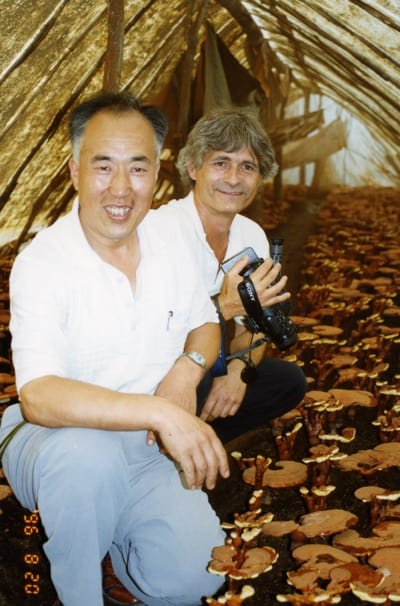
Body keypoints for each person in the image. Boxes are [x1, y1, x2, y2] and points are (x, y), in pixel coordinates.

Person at [0, 92, 231, 606]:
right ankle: (79, 590)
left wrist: (187, 371)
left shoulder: (171, 243)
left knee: (198, 578)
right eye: (103, 167)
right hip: (55, 442)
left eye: (138, 168)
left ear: (159, 174)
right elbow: (38, 396)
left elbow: (206, 324)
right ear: (73, 170)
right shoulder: (44, 263)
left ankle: (118, 542)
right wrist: (160, 412)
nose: (121, 188)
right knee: (87, 461)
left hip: (147, 449)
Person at [159, 107, 307, 444]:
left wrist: (239, 371)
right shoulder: (160, 233)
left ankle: (204, 434)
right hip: (159, 370)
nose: (234, 179)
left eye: (247, 167)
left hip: (209, 366)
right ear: (193, 167)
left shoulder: (251, 236)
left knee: (287, 381)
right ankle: (166, 445)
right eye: (221, 163)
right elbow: (152, 338)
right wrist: (222, 307)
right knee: (188, 383)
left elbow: (253, 332)